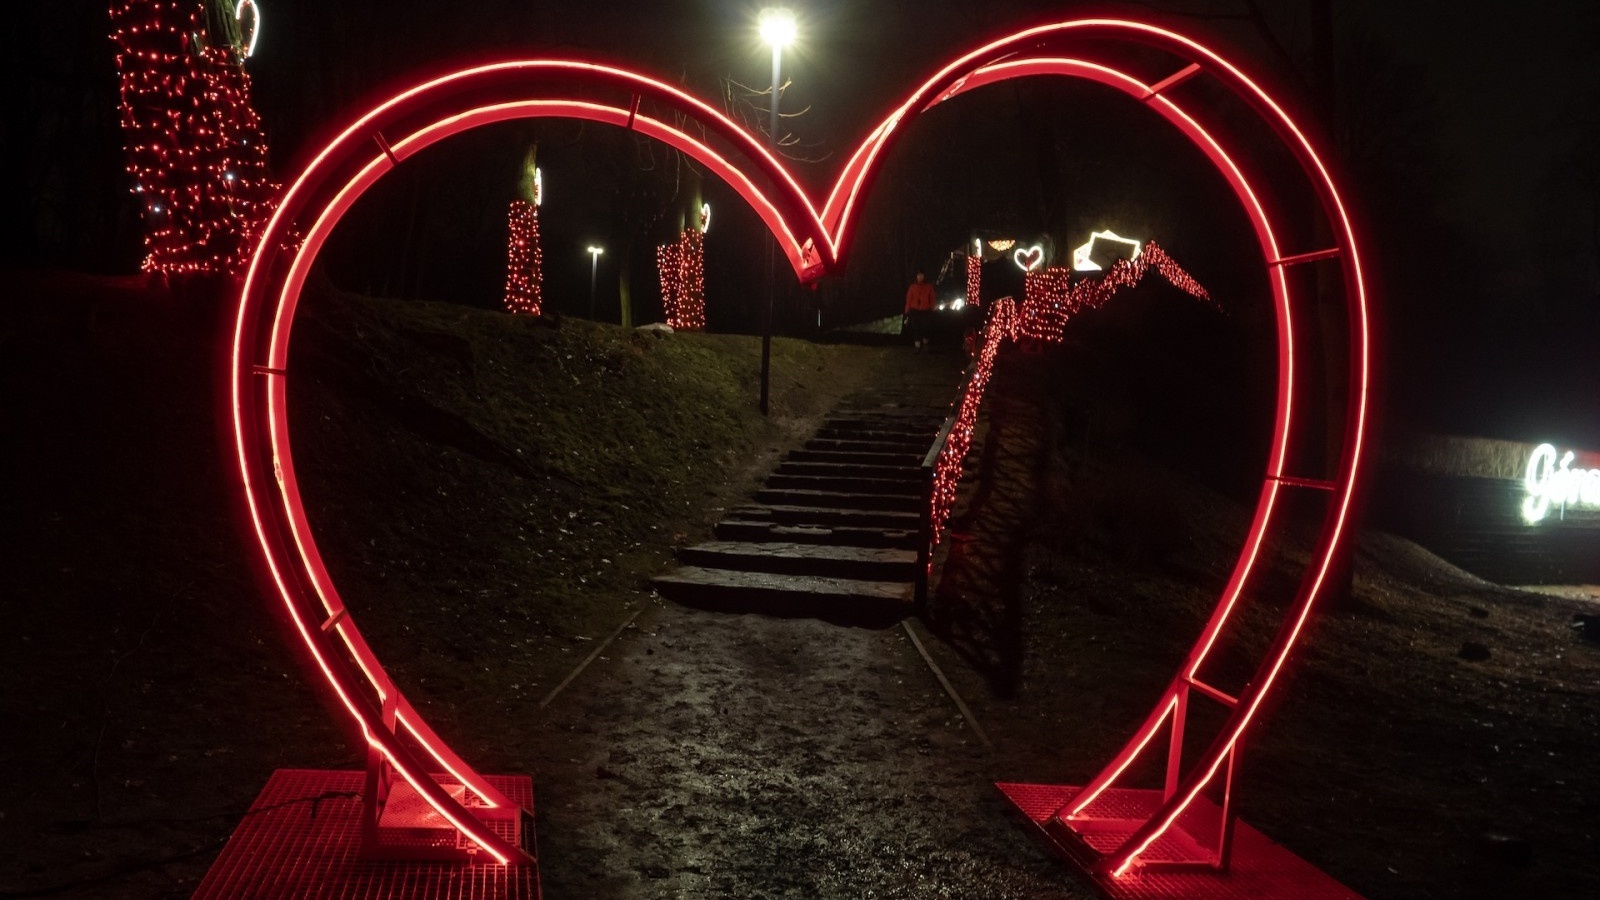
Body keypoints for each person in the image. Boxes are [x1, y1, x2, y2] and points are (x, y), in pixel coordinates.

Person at [903, 270, 935, 349]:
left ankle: (925, 343)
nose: (920, 277)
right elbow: (909, 299)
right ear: (916, 276)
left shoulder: (929, 286)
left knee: (925, 327)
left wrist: (932, 308)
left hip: (925, 310)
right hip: (914, 310)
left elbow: (932, 298)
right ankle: (917, 346)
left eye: (921, 275)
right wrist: (907, 311)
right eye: (918, 275)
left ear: (924, 276)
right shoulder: (912, 287)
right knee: (916, 328)